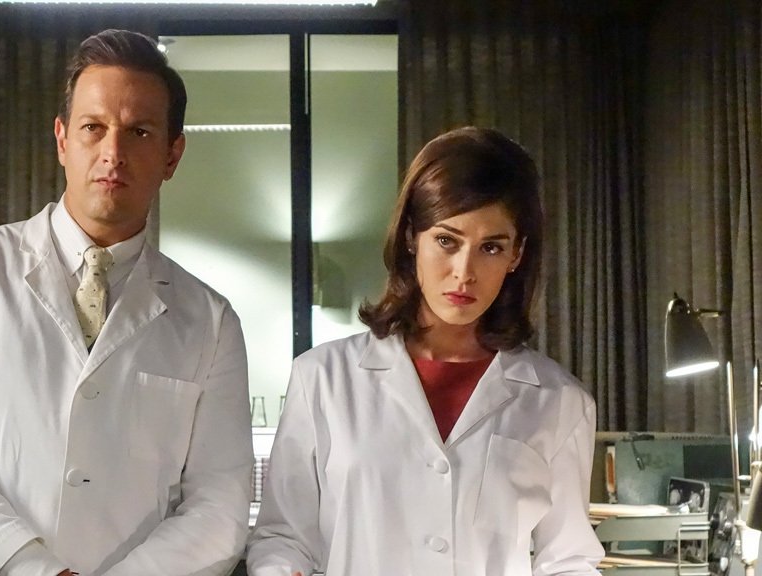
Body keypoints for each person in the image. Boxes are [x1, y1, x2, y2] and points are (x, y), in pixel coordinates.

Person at [0, 29, 253, 576]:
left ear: (172, 155)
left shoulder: (210, 321)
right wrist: (35, 569)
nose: (112, 153)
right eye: (92, 127)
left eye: (139, 132)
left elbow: (219, 505)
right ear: (61, 140)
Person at [246, 127, 605, 575]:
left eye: (491, 247)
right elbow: (284, 537)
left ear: (516, 255)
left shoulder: (559, 401)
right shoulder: (322, 378)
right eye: (447, 241)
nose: (464, 272)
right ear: (411, 236)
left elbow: (568, 560)